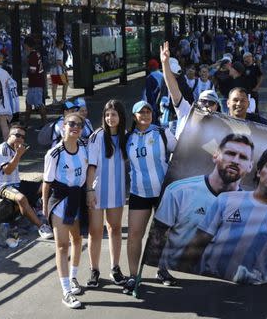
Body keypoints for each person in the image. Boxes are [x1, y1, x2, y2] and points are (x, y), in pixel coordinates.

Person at [177, 146, 267, 284]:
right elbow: (197, 243)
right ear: (259, 171)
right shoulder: (226, 199)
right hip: (209, 281)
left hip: (254, 290)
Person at [149, 134, 254, 271]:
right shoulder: (179, 191)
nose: (235, 160)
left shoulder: (251, 206)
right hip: (175, 274)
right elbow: (157, 236)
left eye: (243, 157)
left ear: (250, 166)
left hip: (216, 282)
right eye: (230, 153)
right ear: (215, 156)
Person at [122, 100, 177, 294]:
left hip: (162, 192)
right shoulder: (127, 138)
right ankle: (133, 275)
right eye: (141, 112)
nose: (145, 114)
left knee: (163, 234)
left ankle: (162, 270)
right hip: (139, 193)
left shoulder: (162, 132)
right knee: (134, 235)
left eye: (148, 111)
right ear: (134, 116)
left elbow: (180, 153)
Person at [42, 113, 89, 309]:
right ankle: (66, 291)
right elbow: (46, 183)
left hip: (77, 199)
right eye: (71, 124)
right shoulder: (54, 153)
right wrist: (45, 208)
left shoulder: (85, 148)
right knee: (62, 246)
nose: (75, 127)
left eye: (79, 124)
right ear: (63, 126)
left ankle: (73, 277)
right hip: (60, 201)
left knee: (77, 240)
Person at [86, 100, 128, 288]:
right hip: (97, 191)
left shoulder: (125, 136)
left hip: (117, 191)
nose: (110, 118)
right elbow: (91, 167)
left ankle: (115, 268)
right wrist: (89, 190)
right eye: (107, 114)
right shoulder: (97, 136)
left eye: (114, 114)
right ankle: (94, 270)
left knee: (115, 229)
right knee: (95, 232)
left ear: (121, 117)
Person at [0, 123, 53, 239]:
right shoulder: (2, 150)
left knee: (46, 185)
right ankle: (41, 227)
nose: (20, 139)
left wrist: (18, 153)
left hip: (16, 183)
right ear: (10, 135)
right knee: (21, 198)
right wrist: (18, 155)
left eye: (23, 137)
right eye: (17, 135)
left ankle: (37, 208)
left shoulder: (15, 148)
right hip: (3, 186)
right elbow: (8, 170)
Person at [22, 36, 47, 126]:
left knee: (39, 104)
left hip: (35, 82)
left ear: (26, 45)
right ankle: (25, 124)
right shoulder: (37, 53)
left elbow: (32, 70)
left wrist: (27, 71)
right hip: (36, 82)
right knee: (28, 103)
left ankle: (45, 123)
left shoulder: (32, 56)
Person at [49, 39, 69, 104]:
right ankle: (63, 98)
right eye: (62, 44)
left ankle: (54, 99)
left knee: (54, 85)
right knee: (66, 83)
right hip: (59, 71)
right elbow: (59, 61)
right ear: (60, 44)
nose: (63, 45)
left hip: (52, 70)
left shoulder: (52, 50)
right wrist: (64, 67)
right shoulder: (60, 51)